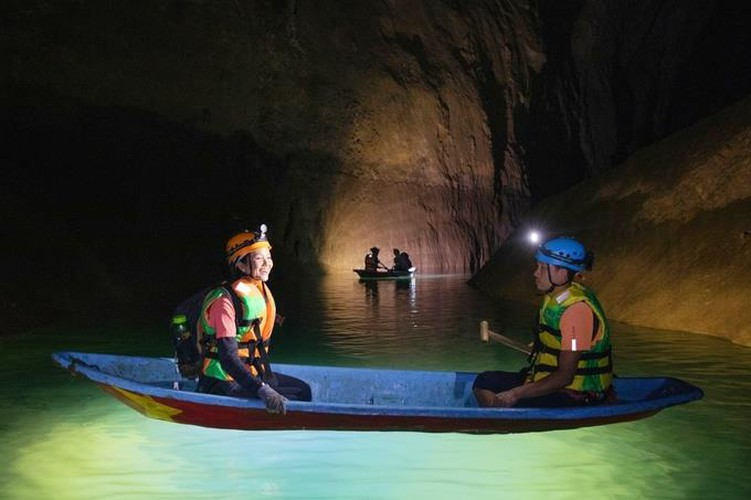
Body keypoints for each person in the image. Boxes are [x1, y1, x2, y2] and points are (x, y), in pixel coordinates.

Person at [473, 236, 613, 408]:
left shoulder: (576, 312)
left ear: (561, 272)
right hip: (547, 378)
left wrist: (515, 394)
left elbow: (565, 376)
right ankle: (496, 412)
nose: (535, 273)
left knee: (517, 402)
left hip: (575, 393)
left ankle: (496, 415)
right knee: (485, 380)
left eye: (542, 268)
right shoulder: (556, 298)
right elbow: (558, 340)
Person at [196, 223, 312, 414]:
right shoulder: (224, 302)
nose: (268, 264)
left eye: (269, 257)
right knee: (290, 402)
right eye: (259, 258)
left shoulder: (259, 290)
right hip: (223, 380)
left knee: (303, 391)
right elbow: (228, 359)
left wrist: (263, 382)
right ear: (241, 264)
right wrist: (262, 390)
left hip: (254, 373)